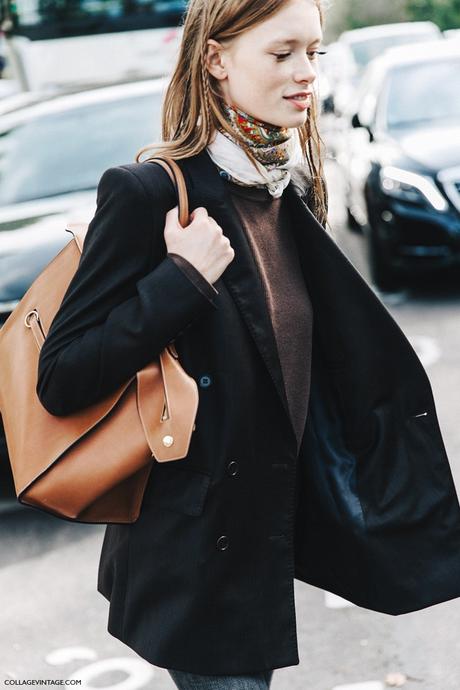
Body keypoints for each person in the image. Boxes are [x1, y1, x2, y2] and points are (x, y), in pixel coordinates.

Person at [36, 0, 460, 688]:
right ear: (215, 58)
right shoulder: (149, 195)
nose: (306, 73)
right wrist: (178, 281)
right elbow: (61, 377)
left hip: (274, 531)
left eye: (314, 52)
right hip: (200, 563)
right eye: (282, 52)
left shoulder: (283, 185)